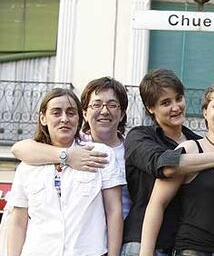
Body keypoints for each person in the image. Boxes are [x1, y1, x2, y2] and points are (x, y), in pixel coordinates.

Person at [122, 70, 214, 256]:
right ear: (150, 108)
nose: (175, 107)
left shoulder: (193, 140)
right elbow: (165, 165)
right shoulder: (140, 136)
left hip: (176, 244)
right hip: (144, 246)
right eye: (165, 103)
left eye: (178, 99)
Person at [7, 88, 125, 256]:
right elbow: (18, 220)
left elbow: (114, 210)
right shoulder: (28, 165)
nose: (64, 119)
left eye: (71, 113)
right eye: (56, 112)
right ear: (43, 118)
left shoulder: (100, 154)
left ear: (79, 118)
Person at [11, 77, 132, 220]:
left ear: (122, 114)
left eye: (112, 105)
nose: (104, 111)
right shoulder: (72, 143)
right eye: (96, 105)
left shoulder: (132, 151)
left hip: (123, 234)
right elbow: (19, 149)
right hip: (81, 236)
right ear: (85, 114)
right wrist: (67, 155)